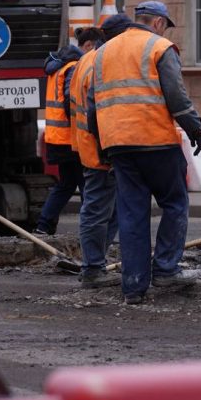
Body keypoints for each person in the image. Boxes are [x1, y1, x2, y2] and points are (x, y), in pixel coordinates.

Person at [90, 1, 201, 305]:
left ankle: (133, 287)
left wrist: (103, 147)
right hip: (155, 141)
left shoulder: (102, 53)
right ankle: (166, 269)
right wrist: (194, 127)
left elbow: (94, 105)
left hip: (118, 145)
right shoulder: (159, 47)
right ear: (157, 23)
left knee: (131, 214)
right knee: (175, 202)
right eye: (165, 25)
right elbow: (176, 96)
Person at [69, 16, 130, 289]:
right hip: (101, 149)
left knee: (109, 210)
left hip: (90, 145)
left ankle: (95, 264)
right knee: (97, 210)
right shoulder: (100, 62)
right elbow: (98, 109)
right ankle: (93, 268)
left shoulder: (87, 59)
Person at [34, 28, 102, 235]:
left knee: (67, 183)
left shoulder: (59, 66)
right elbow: (72, 103)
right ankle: (92, 230)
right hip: (71, 139)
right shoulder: (74, 67)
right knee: (86, 185)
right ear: (89, 45)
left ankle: (44, 225)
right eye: (98, 48)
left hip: (57, 137)